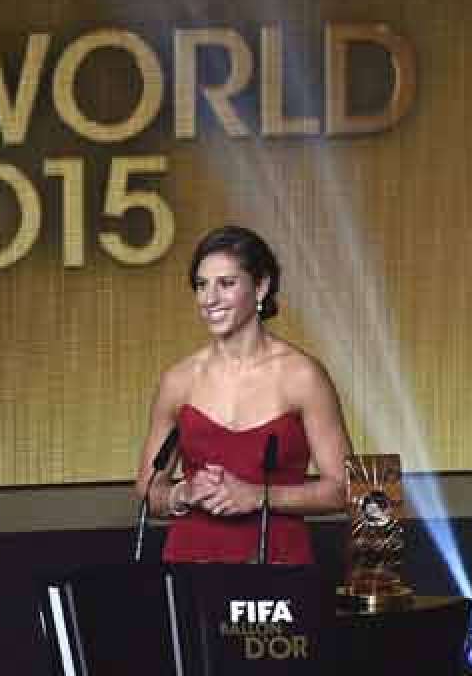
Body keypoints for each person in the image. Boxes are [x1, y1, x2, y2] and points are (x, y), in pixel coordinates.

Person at [134, 225, 352, 564]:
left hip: (275, 565)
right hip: (190, 562)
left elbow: (343, 489)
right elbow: (149, 492)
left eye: (227, 283)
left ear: (261, 286)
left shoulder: (303, 376)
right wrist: (184, 492)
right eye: (202, 285)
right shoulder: (179, 380)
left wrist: (258, 496)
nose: (210, 299)